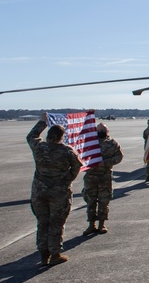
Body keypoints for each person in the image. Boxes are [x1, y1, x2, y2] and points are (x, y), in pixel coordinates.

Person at [28, 113, 82, 265]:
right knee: (57, 222)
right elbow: (77, 166)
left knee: (42, 222)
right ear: (61, 136)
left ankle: (43, 254)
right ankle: (55, 253)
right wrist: (66, 180)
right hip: (59, 192)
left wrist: (42, 121)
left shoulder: (39, 147)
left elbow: (31, 136)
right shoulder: (67, 151)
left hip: (39, 192)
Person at [82, 122, 123, 235]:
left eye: (103, 131)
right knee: (90, 202)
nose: (101, 133)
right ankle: (91, 225)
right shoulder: (89, 143)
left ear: (107, 132)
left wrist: (105, 163)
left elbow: (119, 157)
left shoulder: (112, 143)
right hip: (91, 177)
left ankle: (101, 224)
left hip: (105, 177)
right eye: (99, 130)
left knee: (104, 202)